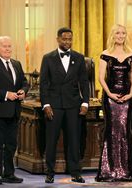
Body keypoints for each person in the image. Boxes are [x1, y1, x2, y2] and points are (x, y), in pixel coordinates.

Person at [39, 27, 89, 183]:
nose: (67, 42)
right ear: (58, 39)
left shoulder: (79, 58)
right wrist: (46, 104)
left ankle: (75, 172)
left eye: (70, 39)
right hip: (54, 106)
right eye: (64, 39)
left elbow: (84, 82)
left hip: (73, 105)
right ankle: (50, 172)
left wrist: (85, 102)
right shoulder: (48, 58)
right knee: (51, 140)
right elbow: (44, 83)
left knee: (74, 140)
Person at [95, 24, 132, 182]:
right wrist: (110, 94)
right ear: (113, 35)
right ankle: (109, 171)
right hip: (110, 98)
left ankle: (126, 170)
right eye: (118, 33)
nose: (121, 36)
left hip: (127, 98)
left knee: (124, 130)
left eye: (123, 33)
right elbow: (101, 77)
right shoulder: (105, 54)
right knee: (112, 131)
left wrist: (130, 94)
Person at [0, 36, 29, 185]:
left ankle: (8, 174)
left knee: (11, 145)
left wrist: (23, 91)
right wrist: (5, 94)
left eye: (10, 46)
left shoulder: (17, 64)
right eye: (5, 46)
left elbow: (24, 82)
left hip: (14, 111)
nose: (8, 49)